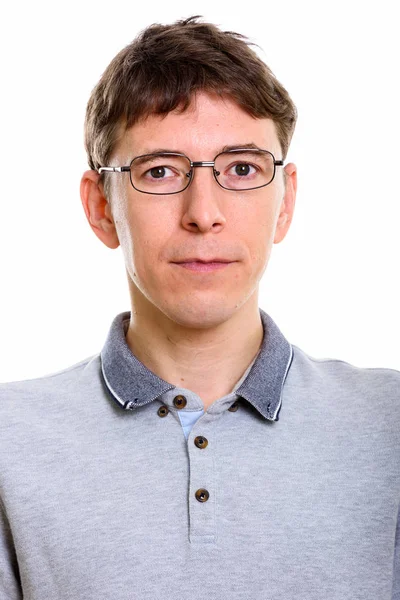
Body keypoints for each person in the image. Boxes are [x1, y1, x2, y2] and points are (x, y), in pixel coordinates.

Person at [0, 15, 399, 600]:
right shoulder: (10, 440)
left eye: (242, 169)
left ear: (285, 202)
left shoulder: (389, 425)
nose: (203, 212)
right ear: (101, 208)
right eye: (160, 171)